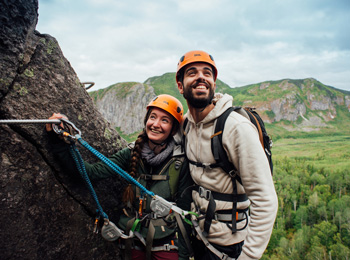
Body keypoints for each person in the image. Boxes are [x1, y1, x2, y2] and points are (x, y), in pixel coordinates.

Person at [46, 94, 194, 260]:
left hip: (167, 245)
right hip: (133, 241)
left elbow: (183, 212)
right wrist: (59, 142)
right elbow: (91, 173)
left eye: (165, 120)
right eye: (153, 117)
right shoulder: (131, 153)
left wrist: (182, 256)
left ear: (174, 129)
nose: (156, 124)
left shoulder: (180, 163)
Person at [175, 50, 278, 260]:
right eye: (192, 73)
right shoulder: (186, 124)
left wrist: (248, 257)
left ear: (213, 82)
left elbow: (265, 200)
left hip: (230, 245)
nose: (201, 77)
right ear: (180, 85)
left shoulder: (235, 127)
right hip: (198, 234)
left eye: (207, 73)